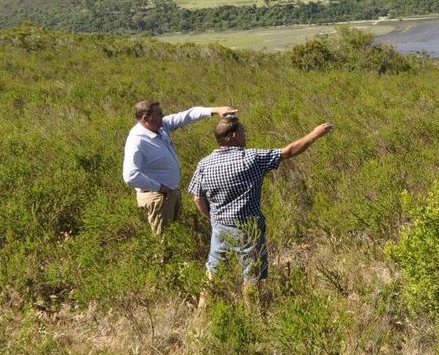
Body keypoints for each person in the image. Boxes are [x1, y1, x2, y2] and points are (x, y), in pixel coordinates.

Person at [189, 115, 332, 287]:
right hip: (248, 228)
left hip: (219, 228)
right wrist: (315, 134)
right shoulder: (252, 158)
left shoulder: (204, 164)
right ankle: (254, 312)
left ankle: (202, 312)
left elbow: (197, 197)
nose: (245, 135)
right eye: (242, 131)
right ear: (233, 136)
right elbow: (289, 151)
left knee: (213, 275)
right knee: (252, 277)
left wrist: (212, 219)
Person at [122, 100, 239, 235]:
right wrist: (160, 188)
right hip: (157, 196)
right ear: (146, 118)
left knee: (173, 236)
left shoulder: (160, 126)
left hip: (169, 193)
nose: (163, 116)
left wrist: (216, 109)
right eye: (159, 114)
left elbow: (187, 115)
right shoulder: (137, 140)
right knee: (164, 242)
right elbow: (130, 176)